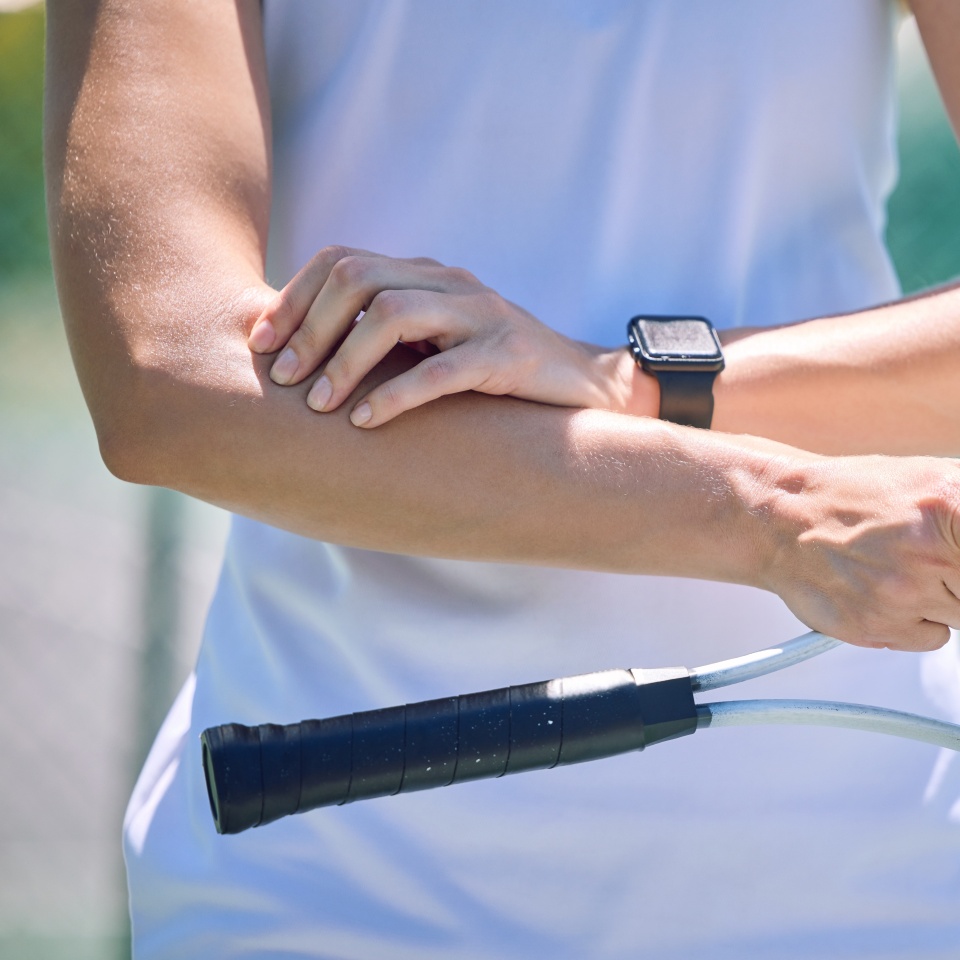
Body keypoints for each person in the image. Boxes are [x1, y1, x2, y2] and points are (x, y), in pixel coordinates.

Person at [45, 1, 960, 957]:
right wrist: (770, 514)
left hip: (872, 876)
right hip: (327, 873)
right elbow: (169, 379)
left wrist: (625, 380)